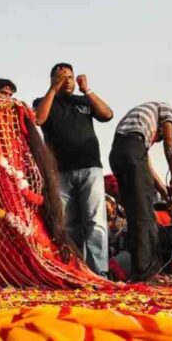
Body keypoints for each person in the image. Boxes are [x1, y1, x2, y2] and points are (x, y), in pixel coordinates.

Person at [33, 62, 114, 276]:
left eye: (70, 76)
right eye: (61, 77)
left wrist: (87, 89)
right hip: (59, 171)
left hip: (90, 167)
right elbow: (38, 119)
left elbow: (107, 115)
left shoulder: (83, 101)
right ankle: (76, 271)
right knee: (68, 225)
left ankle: (100, 272)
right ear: (52, 79)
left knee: (95, 221)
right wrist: (53, 89)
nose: (66, 80)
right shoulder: (43, 101)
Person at [108, 101, 172, 282]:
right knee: (144, 215)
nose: (157, 139)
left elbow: (146, 167)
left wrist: (165, 193)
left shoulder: (136, 128)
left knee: (136, 213)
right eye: (159, 137)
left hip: (118, 155)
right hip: (131, 153)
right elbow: (170, 146)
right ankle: (146, 272)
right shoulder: (165, 109)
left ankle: (141, 269)